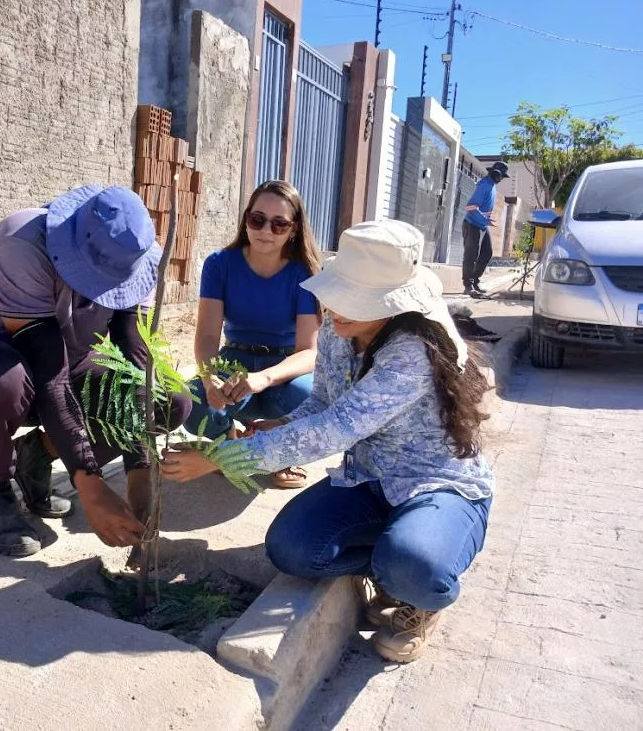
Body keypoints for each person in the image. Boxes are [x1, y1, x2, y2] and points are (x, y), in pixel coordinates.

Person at [162, 219, 494, 663]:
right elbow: (320, 405)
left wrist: (222, 458)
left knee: (416, 565)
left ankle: (422, 592)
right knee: (293, 548)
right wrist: (277, 425)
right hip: (368, 480)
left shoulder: (410, 352)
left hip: (435, 485)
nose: (334, 308)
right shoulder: (345, 332)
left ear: (394, 305)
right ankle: (395, 556)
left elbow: (336, 428)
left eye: (350, 299)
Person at [0, 185, 190, 557]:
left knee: (170, 401)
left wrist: (140, 482)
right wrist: (90, 483)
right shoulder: (20, 241)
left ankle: (38, 454)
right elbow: (49, 371)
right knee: (1, 383)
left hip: (70, 361)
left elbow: (135, 364)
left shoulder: (140, 260)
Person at [184, 180, 322, 488]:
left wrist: (264, 378)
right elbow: (207, 336)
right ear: (246, 218)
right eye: (257, 219)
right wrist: (210, 380)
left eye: (279, 224)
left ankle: (279, 451)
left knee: (308, 395)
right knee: (190, 401)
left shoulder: (305, 273)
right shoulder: (220, 264)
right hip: (233, 362)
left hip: (284, 371)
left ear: (294, 228)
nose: (266, 230)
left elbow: (308, 351)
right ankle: (229, 445)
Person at [462, 161, 509, 298]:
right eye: (501, 176)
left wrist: (485, 220)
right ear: (496, 174)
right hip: (472, 224)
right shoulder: (484, 185)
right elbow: (470, 207)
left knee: (486, 253)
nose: (501, 180)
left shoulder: (492, 186)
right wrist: (485, 219)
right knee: (471, 256)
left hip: (481, 225)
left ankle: (475, 281)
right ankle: (468, 285)